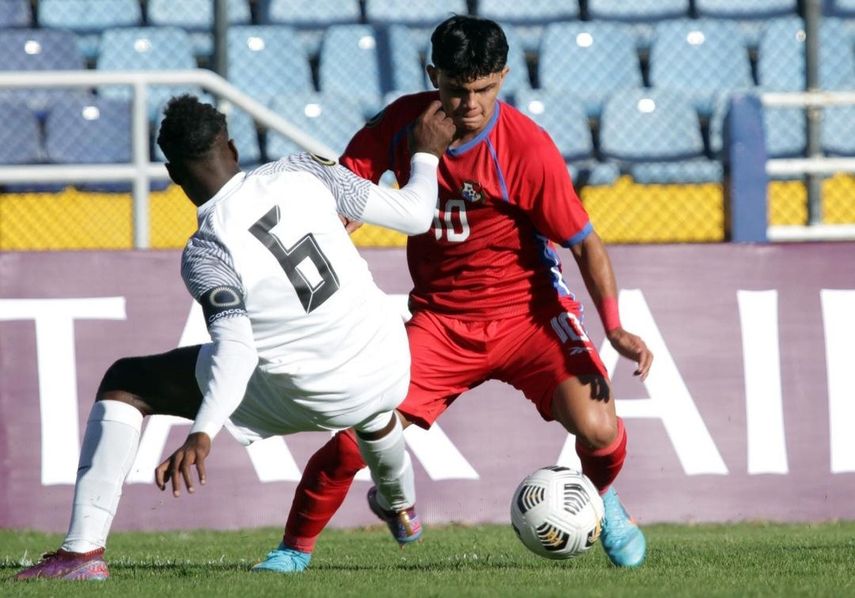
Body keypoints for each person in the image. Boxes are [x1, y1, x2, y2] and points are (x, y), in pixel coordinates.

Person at [256, 15, 655, 574]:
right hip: (441, 325)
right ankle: (292, 552)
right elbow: (342, 203)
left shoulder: (528, 149)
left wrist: (614, 326)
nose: (470, 104)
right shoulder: (401, 126)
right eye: (456, 89)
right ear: (433, 75)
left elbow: (585, 244)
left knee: (598, 427)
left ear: (504, 77)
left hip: (529, 318)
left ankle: (602, 499)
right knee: (355, 438)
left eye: (484, 89)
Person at [15, 94, 456, 581]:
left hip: (305, 394)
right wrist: (425, 154)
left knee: (127, 382)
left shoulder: (207, 251)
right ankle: (401, 508)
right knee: (371, 411)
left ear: (173, 176)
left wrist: (203, 431)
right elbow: (416, 215)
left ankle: (80, 555)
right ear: (233, 146)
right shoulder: (305, 170)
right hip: (388, 363)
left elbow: (238, 350)